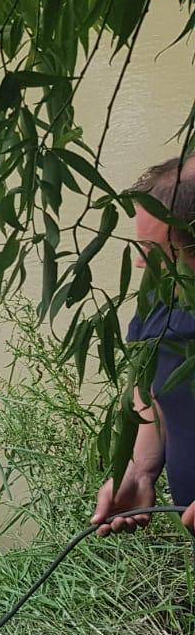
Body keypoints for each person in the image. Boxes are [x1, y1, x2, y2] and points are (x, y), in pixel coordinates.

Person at [93, 154, 195, 536]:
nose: (139, 264)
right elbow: (154, 386)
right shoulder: (161, 299)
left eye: (152, 251)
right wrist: (139, 468)